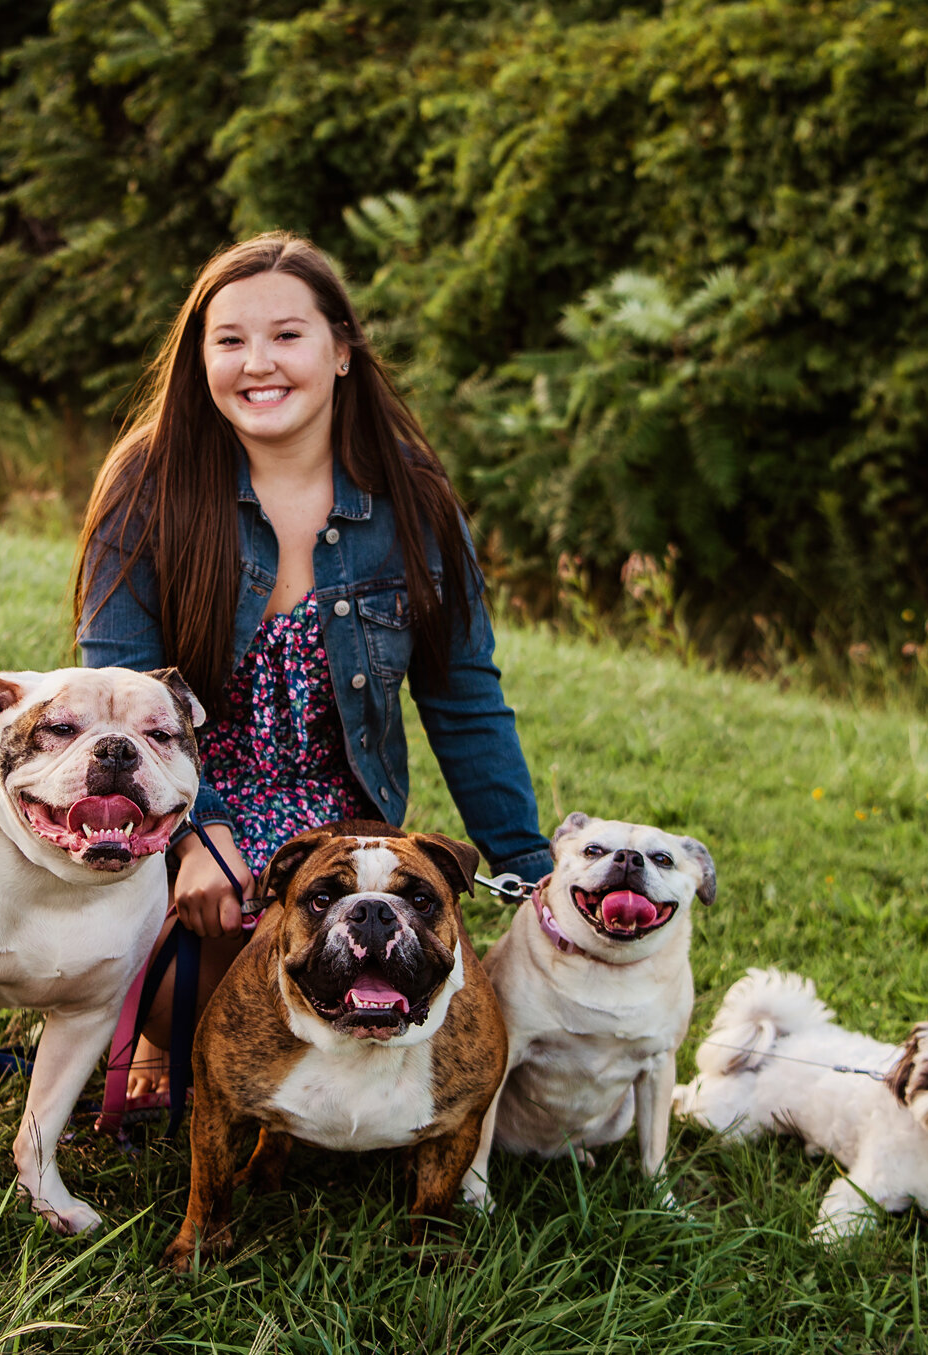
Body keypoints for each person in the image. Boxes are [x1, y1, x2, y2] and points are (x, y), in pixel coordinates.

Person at [73, 231, 551, 1105]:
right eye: (230, 340)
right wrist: (195, 835)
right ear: (199, 358)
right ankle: (145, 1022)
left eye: (287, 335)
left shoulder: (412, 500)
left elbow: (465, 697)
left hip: (337, 823)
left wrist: (530, 867)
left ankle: (219, 1044)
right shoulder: (147, 487)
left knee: (356, 953)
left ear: (341, 350)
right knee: (207, 1005)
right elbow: (123, 702)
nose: (258, 362)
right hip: (183, 802)